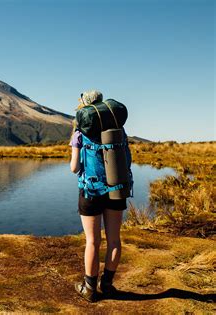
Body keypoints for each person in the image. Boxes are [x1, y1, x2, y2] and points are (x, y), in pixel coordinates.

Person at [69, 90, 127, 302]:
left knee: (93, 241)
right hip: (117, 189)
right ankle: (108, 285)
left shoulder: (79, 134)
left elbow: (75, 168)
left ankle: (90, 289)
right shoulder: (119, 129)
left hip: (90, 191)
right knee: (114, 240)